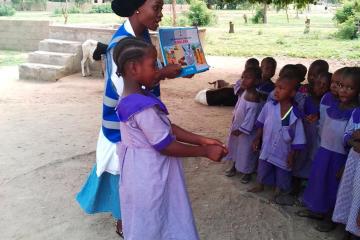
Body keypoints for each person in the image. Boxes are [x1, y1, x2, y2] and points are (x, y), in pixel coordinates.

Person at [76, 0, 182, 236]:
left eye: (162, 8)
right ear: (137, 8)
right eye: (156, 8)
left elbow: (145, 72)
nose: (160, 14)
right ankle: (128, 223)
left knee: (134, 176)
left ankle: (132, 220)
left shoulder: (141, 34)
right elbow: (129, 88)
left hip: (141, 120)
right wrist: (163, 73)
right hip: (125, 126)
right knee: (129, 176)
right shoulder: (119, 46)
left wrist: (167, 70)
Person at [114, 37, 228, 240]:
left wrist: (201, 139)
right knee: (159, 219)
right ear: (133, 68)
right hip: (151, 175)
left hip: (139, 172)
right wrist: (204, 151)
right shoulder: (142, 108)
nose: (157, 69)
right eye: (153, 65)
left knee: (152, 218)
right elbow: (165, 145)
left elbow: (166, 128)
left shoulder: (132, 98)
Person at [300, 67, 360, 232]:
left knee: (333, 187)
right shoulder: (332, 105)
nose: (342, 90)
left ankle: (330, 218)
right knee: (319, 181)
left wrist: (345, 164)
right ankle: (316, 210)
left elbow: (350, 138)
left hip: (340, 157)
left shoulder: (355, 112)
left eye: (349, 87)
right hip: (324, 151)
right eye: (340, 85)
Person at [248, 70, 306, 195]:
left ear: (292, 93)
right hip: (267, 146)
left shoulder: (295, 115)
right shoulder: (269, 106)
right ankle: (260, 185)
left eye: (281, 88)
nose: (276, 91)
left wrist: (292, 155)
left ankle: (278, 190)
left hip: (284, 150)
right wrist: (257, 138)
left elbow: (298, 138)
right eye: (276, 87)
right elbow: (261, 123)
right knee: (263, 166)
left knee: (282, 171)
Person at [292, 72, 332, 194]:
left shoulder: (327, 103)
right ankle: (295, 181)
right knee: (299, 157)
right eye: (318, 83)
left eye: (325, 85)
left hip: (316, 138)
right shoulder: (305, 98)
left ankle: (306, 183)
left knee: (311, 158)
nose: (320, 87)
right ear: (313, 82)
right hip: (302, 135)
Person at [224, 67, 262, 183]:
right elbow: (238, 108)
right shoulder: (245, 92)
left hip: (246, 132)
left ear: (257, 81)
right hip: (237, 127)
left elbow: (250, 118)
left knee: (246, 152)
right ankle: (234, 166)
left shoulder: (254, 97)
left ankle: (247, 172)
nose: (244, 80)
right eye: (243, 77)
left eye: (248, 78)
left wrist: (241, 130)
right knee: (235, 148)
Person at [333, 104, 360, 240]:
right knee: (349, 193)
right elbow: (346, 136)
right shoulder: (356, 113)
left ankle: (355, 232)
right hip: (353, 161)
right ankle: (348, 229)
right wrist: (354, 142)